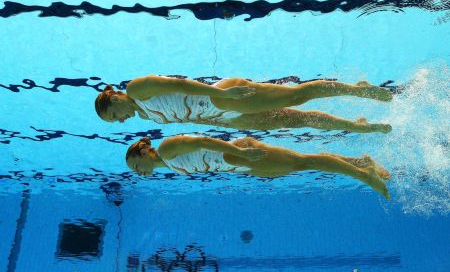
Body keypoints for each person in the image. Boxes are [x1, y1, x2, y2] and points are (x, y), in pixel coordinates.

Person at [95, 75, 392, 133]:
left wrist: (223, 95)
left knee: (297, 95)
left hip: (220, 96)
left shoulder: (137, 88)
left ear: (114, 100)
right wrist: (224, 122)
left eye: (115, 116)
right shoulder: (146, 118)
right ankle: (355, 126)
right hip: (224, 116)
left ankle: (358, 89)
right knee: (293, 120)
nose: (122, 121)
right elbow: (188, 119)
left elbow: (180, 84)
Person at [126, 136, 391, 199]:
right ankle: (361, 162)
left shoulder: (167, 149)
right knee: (302, 163)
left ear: (141, 152)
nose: (138, 172)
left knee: (305, 161)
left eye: (135, 166)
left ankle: (362, 174)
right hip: (242, 168)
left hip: (241, 156)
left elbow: (205, 141)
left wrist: (240, 152)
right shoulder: (169, 166)